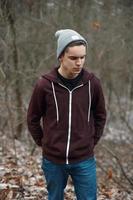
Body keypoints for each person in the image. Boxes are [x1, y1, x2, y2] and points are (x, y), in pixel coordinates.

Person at [27, 29, 106, 200]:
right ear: (61, 56)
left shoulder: (93, 84)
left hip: (84, 159)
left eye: (82, 57)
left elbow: (100, 116)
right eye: (73, 58)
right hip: (53, 160)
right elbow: (33, 118)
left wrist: (91, 141)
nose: (79, 62)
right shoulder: (44, 85)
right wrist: (44, 142)